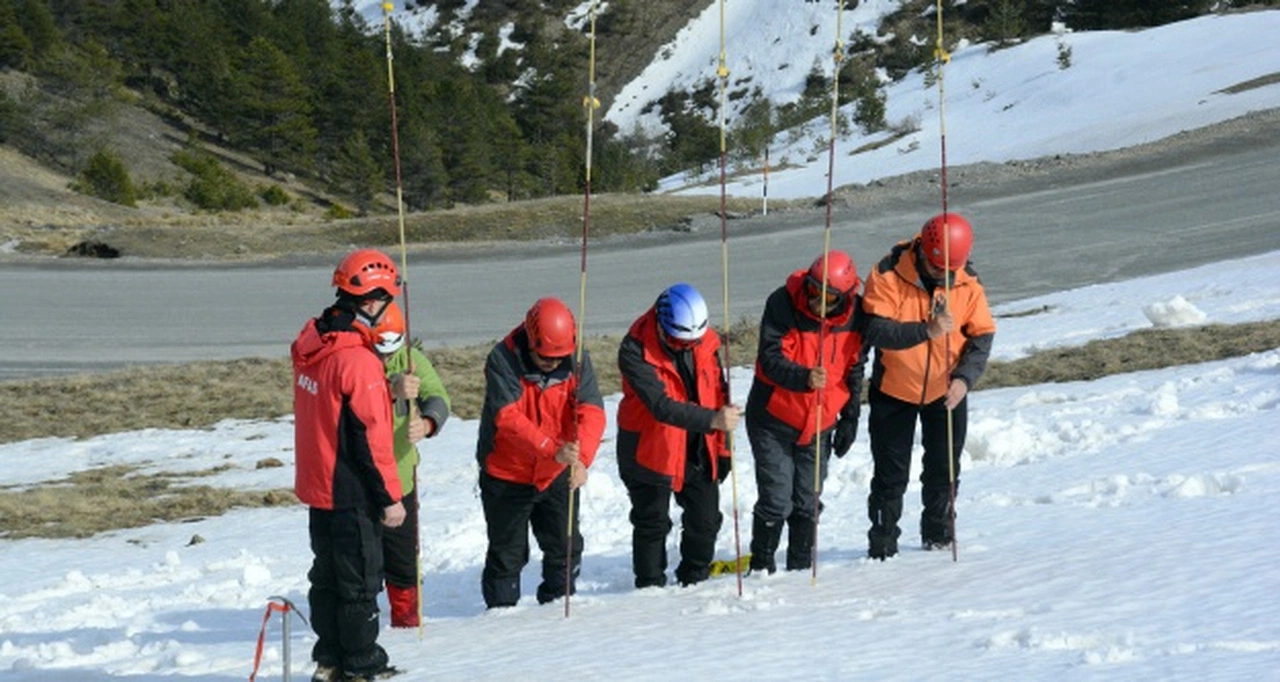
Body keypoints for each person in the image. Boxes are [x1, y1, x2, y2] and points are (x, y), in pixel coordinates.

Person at [292, 248, 405, 682]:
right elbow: (371, 439)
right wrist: (390, 498)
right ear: (373, 300)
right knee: (359, 584)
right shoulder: (358, 361)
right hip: (350, 489)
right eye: (387, 299)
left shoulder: (313, 340)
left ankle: (330, 660)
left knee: (327, 578)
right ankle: (360, 666)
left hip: (319, 484)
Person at [861, 212, 995, 559]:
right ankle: (883, 545)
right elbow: (876, 331)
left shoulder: (967, 282)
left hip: (946, 393)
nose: (945, 276)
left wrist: (965, 379)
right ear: (924, 252)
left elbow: (981, 336)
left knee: (944, 470)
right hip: (893, 391)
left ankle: (938, 538)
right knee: (891, 476)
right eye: (939, 270)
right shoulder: (887, 274)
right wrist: (927, 330)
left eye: (951, 270)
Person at [474, 297, 606, 608]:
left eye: (560, 358)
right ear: (531, 342)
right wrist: (551, 449)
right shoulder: (502, 359)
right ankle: (501, 615)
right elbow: (507, 417)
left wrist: (582, 459)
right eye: (546, 358)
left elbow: (592, 410)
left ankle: (556, 608)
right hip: (507, 475)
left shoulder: (577, 359)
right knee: (507, 554)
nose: (553, 363)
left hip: (556, 474)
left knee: (565, 547)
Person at [744, 251, 867, 575]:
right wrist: (803, 377)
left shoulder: (858, 316)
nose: (816, 301)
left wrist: (851, 417)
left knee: (807, 501)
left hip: (819, 425)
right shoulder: (783, 303)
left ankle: (799, 569)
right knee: (777, 500)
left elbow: (854, 368)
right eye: (812, 290)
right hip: (773, 420)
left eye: (827, 297)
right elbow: (769, 358)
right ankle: (762, 566)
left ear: (846, 297)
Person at [616, 283, 741, 588]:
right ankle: (649, 587)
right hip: (649, 451)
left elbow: (719, 393)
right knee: (652, 523)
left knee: (706, 520)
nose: (687, 346)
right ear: (660, 323)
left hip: (698, 447)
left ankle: (694, 579)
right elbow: (661, 406)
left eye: (692, 342)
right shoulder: (634, 350)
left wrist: (723, 451)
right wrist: (712, 420)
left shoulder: (706, 342)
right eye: (677, 340)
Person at [370, 302, 451, 628]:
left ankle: (406, 624)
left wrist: (428, 422)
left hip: (402, 478)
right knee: (365, 565)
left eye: (392, 352)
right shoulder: (357, 363)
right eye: (381, 353)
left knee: (403, 560)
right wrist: (390, 391)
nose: (388, 360)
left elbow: (439, 397)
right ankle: (364, 626)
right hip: (363, 481)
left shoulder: (413, 361)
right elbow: (352, 403)